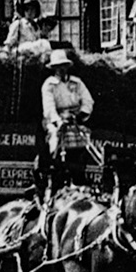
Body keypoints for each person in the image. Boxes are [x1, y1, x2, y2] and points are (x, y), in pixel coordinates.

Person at [41, 49, 94, 187]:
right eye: (58, 67)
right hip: (56, 120)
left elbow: (88, 100)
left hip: (75, 119)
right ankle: (56, 170)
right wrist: (59, 121)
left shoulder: (77, 83)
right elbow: (49, 107)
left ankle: (79, 175)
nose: (61, 69)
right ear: (53, 68)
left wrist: (80, 115)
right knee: (55, 137)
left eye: (63, 66)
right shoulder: (49, 85)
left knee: (84, 138)